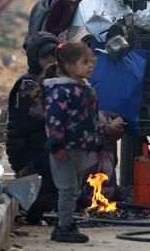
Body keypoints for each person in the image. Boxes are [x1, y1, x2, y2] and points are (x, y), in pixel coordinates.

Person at [43, 42, 107, 244]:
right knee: (68, 189)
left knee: (74, 189)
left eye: (92, 62)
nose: (90, 66)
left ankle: (63, 223)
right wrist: (56, 146)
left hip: (81, 149)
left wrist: (98, 145)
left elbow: (93, 120)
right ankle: (65, 227)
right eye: (85, 62)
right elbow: (54, 120)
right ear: (70, 67)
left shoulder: (87, 91)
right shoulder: (61, 91)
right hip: (64, 150)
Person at [6, 31, 59, 224]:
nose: (52, 60)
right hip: (29, 158)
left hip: (40, 152)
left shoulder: (53, 82)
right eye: (46, 56)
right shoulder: (28, 85)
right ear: (35, 59)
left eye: (55, 54)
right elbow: (55, 118)